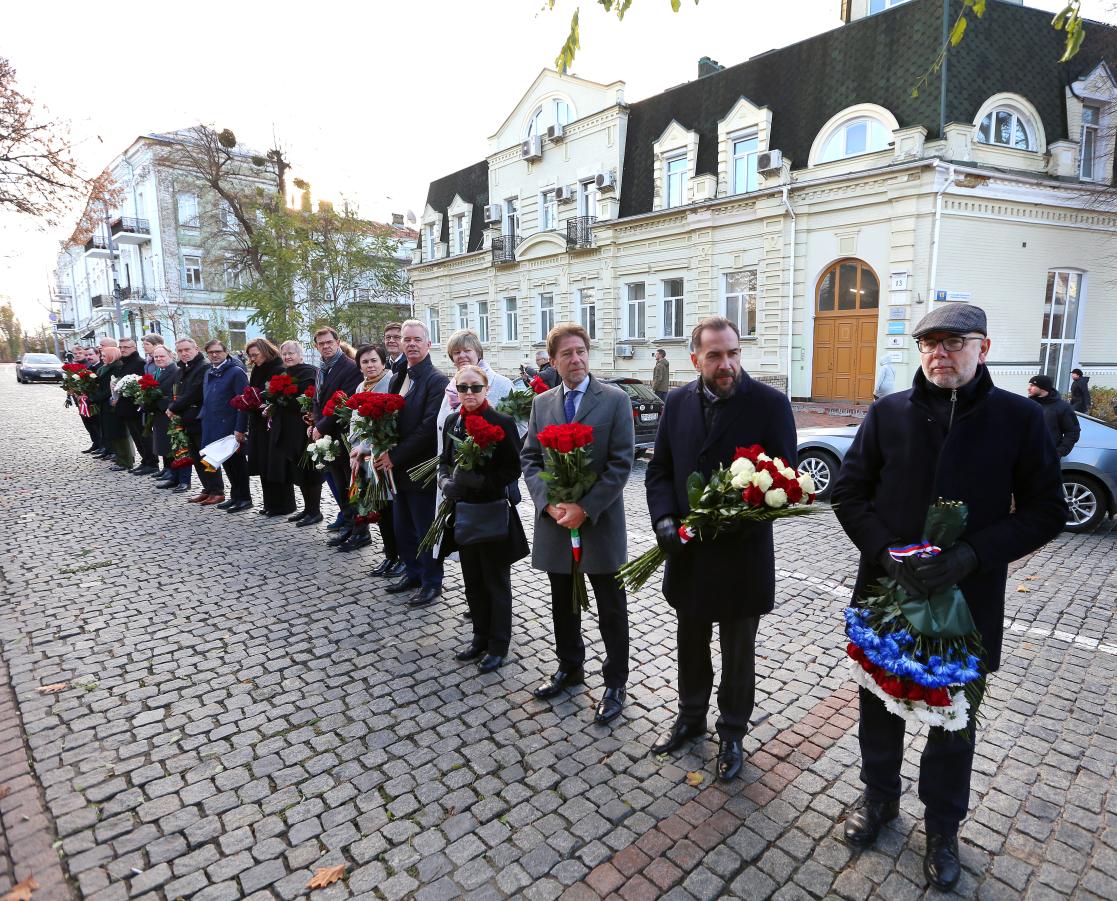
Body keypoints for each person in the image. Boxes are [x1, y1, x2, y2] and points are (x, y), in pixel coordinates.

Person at [830, 303, 1067, 891]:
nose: (940, 352)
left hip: (968, 601)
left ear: (982, 348)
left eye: (954, 342)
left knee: (953, 723)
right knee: (880, 707)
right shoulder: (888, 414)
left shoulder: (1019, 418)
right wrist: (887, 552)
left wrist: (970, 556)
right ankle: (880, 798)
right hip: (889, 594)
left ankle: (942, 828)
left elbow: (1046, 510)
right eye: (929, 342)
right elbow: (850, 493)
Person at [645, 316, 797, 781]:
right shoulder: (676, 401)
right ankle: (690, 718)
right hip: (688, 553)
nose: (726, 363)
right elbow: (660, 472)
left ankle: (732, 731)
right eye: (715, 356)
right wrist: (665, 518)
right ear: (696, 359)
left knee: (738, 654)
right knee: (690, 644)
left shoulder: (769, 403)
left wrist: (740, 511)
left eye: (732, 353)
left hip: (741, 556)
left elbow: (786, 480)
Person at [521, 323, 635, 726]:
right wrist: (550, 504)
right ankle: (569, 668)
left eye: (581, 351)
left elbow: (622, 462)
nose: (576, 359)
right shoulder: (543, 404)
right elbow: (531, 459)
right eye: (567, 354)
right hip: (555, 523)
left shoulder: (615, 400)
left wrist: (585, 507)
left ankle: (615, 681)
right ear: (553, 361)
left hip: (599, 522)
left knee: (610, 606)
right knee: (563, 602)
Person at [437, 364, 528, 673]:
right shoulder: (453, 421)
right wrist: (445, 483)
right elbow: (443, 462)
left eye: (475, 387)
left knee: (495, 582)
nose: (470, 393)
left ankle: (498, 645)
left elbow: (513, 469)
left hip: (492, 513)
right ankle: (479, 637)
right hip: (463, 512)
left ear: (487, 388)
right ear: (456, 390)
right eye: (463, 388)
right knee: (472, 580)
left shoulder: (501, 422)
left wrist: (481, 482)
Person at [378, 320, 449, 606]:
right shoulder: (398, 376)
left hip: (421, 468)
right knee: (402, 526)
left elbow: (428, 428)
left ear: (428, 344)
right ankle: (413, 572)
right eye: (406, 339)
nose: (410, 344)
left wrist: (393, 456)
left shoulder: (437, 380)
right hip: (397, 470)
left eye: (416, 339)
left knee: (425, 529)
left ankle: (432, 582)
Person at [337, 343, 395, 555]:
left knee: (388, 507)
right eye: (365, 362)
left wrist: (366, 447)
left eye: (374, 361)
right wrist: (355, 447)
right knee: (375, 505)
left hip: (382, 454)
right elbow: (355, 418)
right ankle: (389, 552)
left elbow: (390, 423)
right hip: (362, 454)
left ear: (382, 362)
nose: (370, 366)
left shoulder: (391, 383)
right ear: (359, 366)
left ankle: (395, 553)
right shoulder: (361, 386)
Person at [310, 327, 364, 542]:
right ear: (316, 346)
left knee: (349, 484)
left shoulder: (349, 367)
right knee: (339, 483)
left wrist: (321, 426)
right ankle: (349, 525)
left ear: (338, 341)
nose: (326, 346)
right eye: (321, 343)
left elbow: (346, 403)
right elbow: (317, 399)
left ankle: (359, 530)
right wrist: (315, 423)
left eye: (329, 342)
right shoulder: (322, 368)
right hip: (327, 435)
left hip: (343, 434)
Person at [237, 338, 293, 517]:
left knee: (275, 465)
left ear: (265, 351)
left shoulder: (278, 367)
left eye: (256, 355)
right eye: (251, 356)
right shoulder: (258, 369)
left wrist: (261, 400)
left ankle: (282, 504)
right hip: (258, 422)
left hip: (273, 423)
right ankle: (270, 503)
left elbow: (280, 395)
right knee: (263, 464)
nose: (253, 359)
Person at [271, 341, 324, 527]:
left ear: (300, 355)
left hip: (305, 429)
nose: (287, 356)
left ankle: (315, 511)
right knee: (298, 470)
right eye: (284, 353)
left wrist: (283, 398)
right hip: (288, 430)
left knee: (310, 470)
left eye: (291, 353)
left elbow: (309, 401)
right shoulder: (284, 374)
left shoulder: (309, 372)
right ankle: (307, 509)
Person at [168, 338, 223, 504]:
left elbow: (195, 392)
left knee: (207, 457)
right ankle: (207, 488)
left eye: (187, 349)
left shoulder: (204, 366)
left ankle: (217, 490)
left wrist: (173, 407)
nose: (184, 353)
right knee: (196, 457)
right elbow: (177, 392)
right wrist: (174, 406)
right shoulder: (181, 368)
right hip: (187, 419)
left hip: (201, 419)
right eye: (180, 351)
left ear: (196, 348)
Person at [199, 340, 250, 510]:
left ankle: (244, 498)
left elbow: (243, 401)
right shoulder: (209, 371)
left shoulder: (236, 372)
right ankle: (235, 497)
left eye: (218, 351)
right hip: (214, 425)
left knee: (238, 465)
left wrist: (240, 427)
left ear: (226, 352)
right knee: (227, 463)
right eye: (211, 352)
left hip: (231, 427)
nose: (215, 354)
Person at [117, 337, 160, 475]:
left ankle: (152, 462)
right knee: (137, 437)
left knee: (144, 436)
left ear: (134, 348)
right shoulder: (125, 362)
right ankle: (145, 460)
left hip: (137, 407)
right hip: (127, 407)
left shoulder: (139, 363)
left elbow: (143, 384)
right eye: (121, 347)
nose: (123, 349)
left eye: (126, 347)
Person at [149, 345, 188, 493]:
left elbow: (176, 395)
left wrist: (158, 400)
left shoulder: (175, 371)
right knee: (166, 447)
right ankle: (172, 475)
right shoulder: (156, 371)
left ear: (170, 356)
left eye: (162, 356)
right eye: (156, 357)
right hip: (160, 415)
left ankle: (182, 479)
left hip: (171, 414)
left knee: (176, 449)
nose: (158, 359)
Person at [88, 344, 133, 471]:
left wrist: (95, 398)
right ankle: (120, 459)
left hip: (112, 405)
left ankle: (125, 460)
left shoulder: (116, 368)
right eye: (101, 356)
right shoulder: (105, 368)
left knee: (119, 433)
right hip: (105, 405)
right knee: (111, 433)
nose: (102, 358)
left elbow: (110, 389)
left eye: (104, 356)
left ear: (112, 356)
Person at [1027, 374, 1080, 457]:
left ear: (1042, 388)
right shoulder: (1027, 404)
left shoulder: (1062, 407)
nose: (1028, 388)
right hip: (1025, 457)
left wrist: (1059, 452)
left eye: (1032, 385)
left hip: (1047, 458)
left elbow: (1072, 432)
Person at [70, 347, 103, 455]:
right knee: (87, 423)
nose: (78, 355)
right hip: (80, 399)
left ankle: (100, 444)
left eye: (80, 353)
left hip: (89, 399)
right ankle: (95, 443)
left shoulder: (89, 365)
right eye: (75, 353)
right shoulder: (73, 365)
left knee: (95, 422)